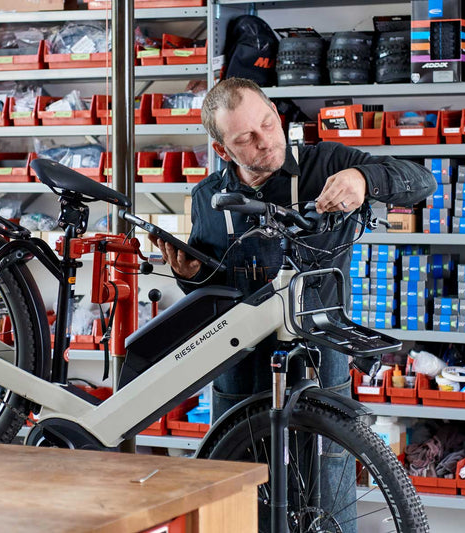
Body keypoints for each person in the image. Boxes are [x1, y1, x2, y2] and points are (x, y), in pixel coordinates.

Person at [150, 77, 436, 529]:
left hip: (320, 352)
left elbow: (423, 182)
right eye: (246, 137)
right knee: (240, 489)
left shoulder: (329, 162)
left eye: (268, 123)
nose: (266, 141)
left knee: (328, 484)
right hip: (239, 359)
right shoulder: (208, 198)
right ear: (224, 150)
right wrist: (193, 277)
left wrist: (365, 179)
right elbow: (215, 289)